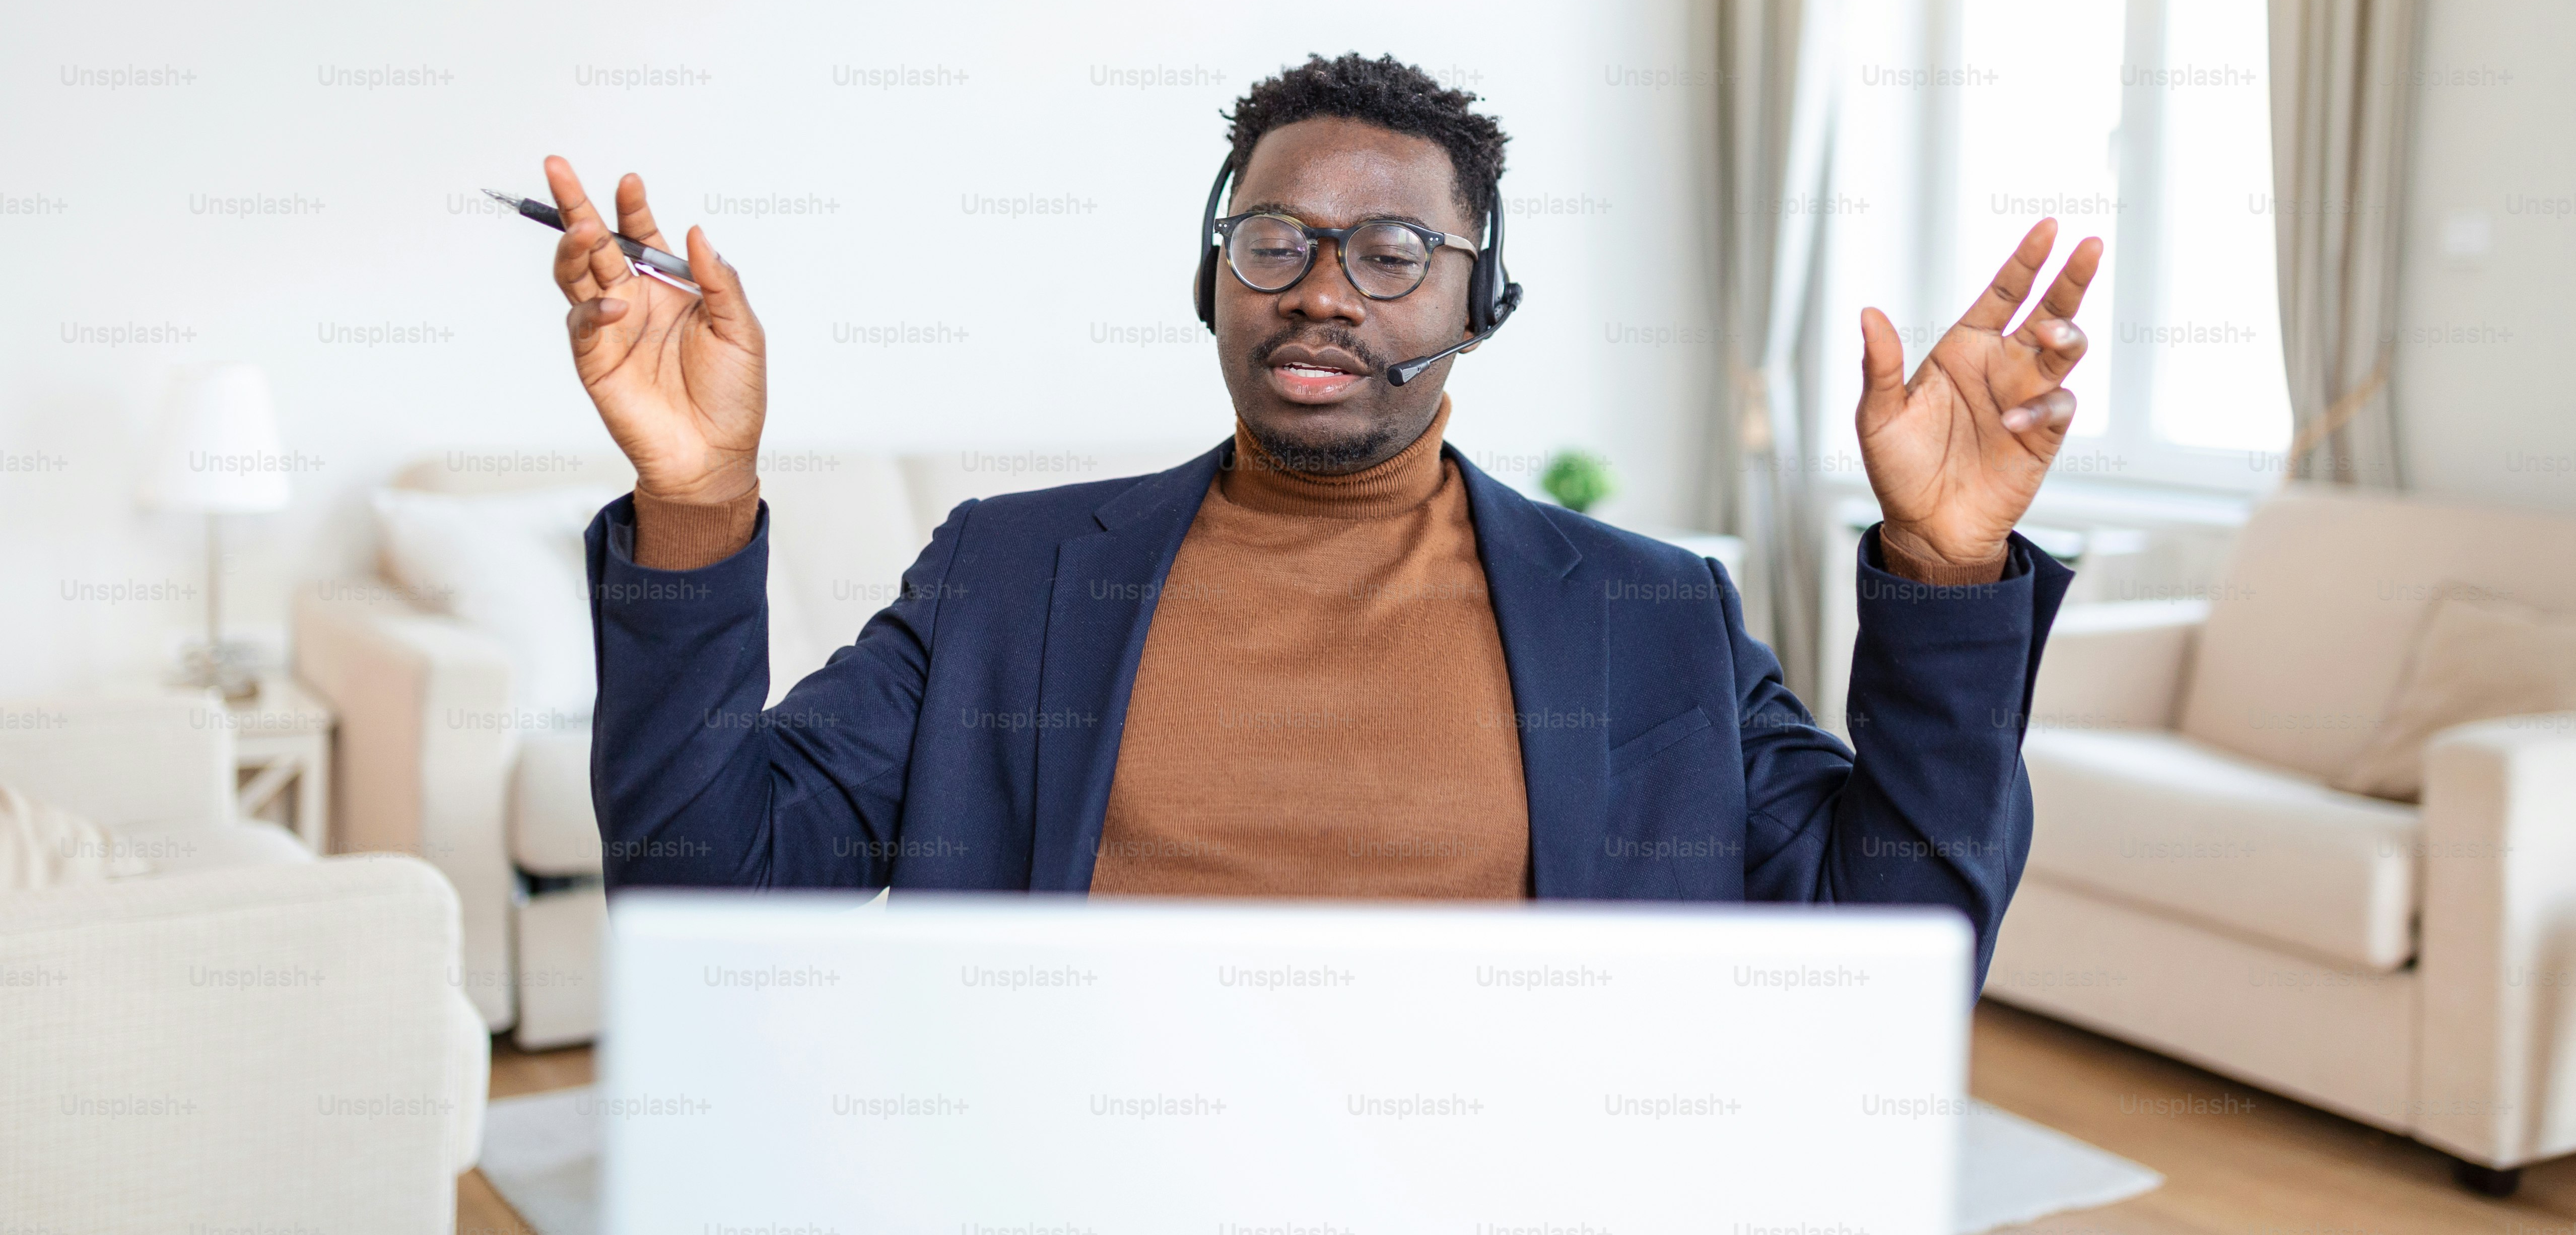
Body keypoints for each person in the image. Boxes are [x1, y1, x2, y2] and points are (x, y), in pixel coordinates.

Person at [550, 53, 2094, 980]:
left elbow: (1905, 946)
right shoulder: (1008, 577)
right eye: (1274, 237)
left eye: (1392, 251)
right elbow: (707, 891)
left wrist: (1946, 571)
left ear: (1478, 303)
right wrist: (695, 503)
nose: (1317, 289)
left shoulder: (1649, 612)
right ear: (1211, 274)